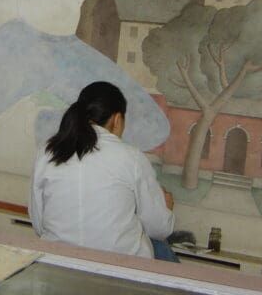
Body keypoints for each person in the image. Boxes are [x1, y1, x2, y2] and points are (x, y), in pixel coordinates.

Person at [29, 81, 177, 260]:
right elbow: (158, 228)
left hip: (56, 263)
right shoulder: (132, 158)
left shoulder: (48, 151)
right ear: (117, 119)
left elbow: (39, 224)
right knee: (161, 249)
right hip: (118, 272)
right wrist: (166, 208)